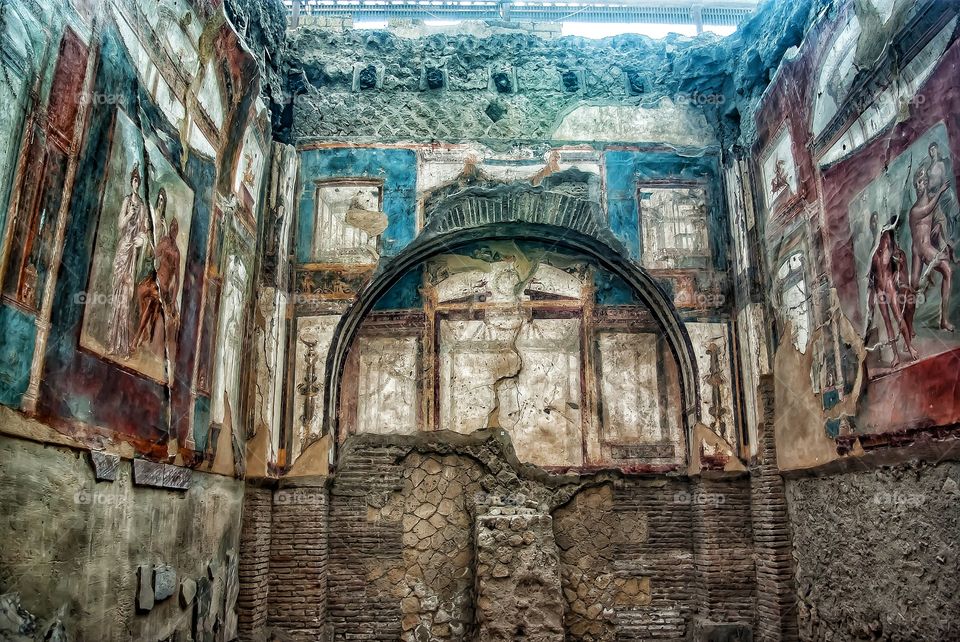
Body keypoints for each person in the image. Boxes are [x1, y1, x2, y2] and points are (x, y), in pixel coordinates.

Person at [107, 163, 147, 359]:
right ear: (131, 181)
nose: (136, 183)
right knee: (117, 293)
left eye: (138, 181)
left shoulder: (143, 206)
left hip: (132, 252)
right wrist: (130, 214)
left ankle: (122, 345)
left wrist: (141, 240)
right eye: (134, 180)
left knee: (127, 296)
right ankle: (112, 342)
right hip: (123, 248)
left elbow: (144, 232)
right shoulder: (126, 201)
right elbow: (120, 225)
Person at [868, 211, 917, 366]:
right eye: (872, 222)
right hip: (878, 287)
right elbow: (871, 274)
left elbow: (897, 256)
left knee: (898, 317)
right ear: (871, 226)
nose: (875, 224)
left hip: (889, 283)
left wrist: (897, 273)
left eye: (876, 220)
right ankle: (896, 355)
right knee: (888, 322)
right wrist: (870, 297)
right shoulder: (872, 247)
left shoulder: (886, 238)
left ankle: (909, 347)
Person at [909, 167, 954, 331]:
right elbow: (926, 211)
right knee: (912, 287)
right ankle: (908, 324)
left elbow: (937, 216)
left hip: (926, 247)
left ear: (926, 184)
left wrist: (938, 226)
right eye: (918, 183)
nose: (920, 185)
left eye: (922, 182)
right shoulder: (914, 210)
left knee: (947, 271)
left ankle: (944, 320)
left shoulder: (931, 202)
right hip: (917, 250)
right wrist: (941, 192)